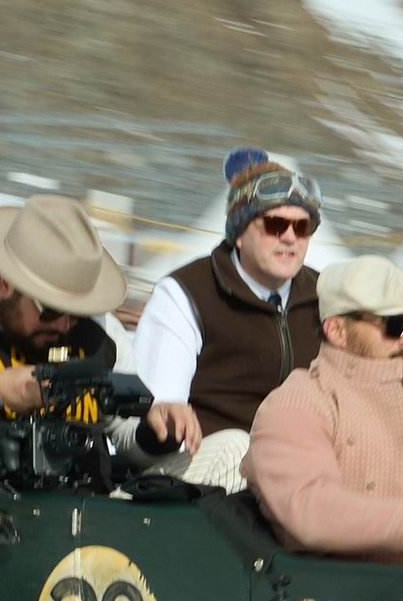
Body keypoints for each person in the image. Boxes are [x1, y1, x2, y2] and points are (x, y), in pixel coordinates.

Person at [0, 195, 194, 473]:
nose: (65, 324)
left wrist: (157, 430)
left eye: (78, 311)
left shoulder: (102, 332)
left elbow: (126, 435)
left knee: (226, 450)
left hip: (91, 527)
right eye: (50, 309)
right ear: (5, 282)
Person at [245, 255, 403, 560]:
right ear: (337, 330)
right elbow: (313, 510)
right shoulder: (300, 402)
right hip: (343, 595)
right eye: (395, 325)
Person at [132, 150, 324, 482]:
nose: (290, 237)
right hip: (203, 467)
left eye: (302, 226)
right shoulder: (185, 293)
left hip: (300, 469)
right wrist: (168, 414)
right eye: (275, 223)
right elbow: (163, 410)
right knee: (237, 449)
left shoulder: (326, 296)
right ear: (238, 232)